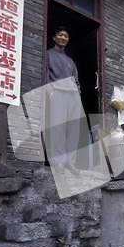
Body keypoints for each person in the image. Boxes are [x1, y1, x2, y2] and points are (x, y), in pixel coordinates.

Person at [45, 26, 83, 175]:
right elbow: (45, 73)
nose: (63, 37)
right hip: (58, 93)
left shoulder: (70, 61)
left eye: (66, 36)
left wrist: (78, 94)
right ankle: (58, 162)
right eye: (60, 35)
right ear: (54, 37)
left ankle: (70, 162)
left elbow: (77, 80)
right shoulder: (48, 54)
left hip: (73, 96)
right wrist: (50, 91)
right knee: (57, 128)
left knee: (73, 130)